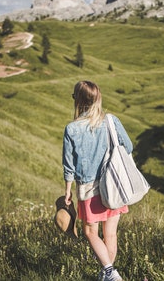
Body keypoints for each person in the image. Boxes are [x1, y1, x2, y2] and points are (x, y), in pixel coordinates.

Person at [62, 80, 133, 281]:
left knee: (90, 232)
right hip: (113, 185)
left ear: (78, 101)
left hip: (89, 188)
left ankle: (110, 274)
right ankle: (109, 274)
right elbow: (128, 147)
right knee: (110, 234)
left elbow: (69, 165)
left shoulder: (72, 129)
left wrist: (68, 190)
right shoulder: (111, 120)